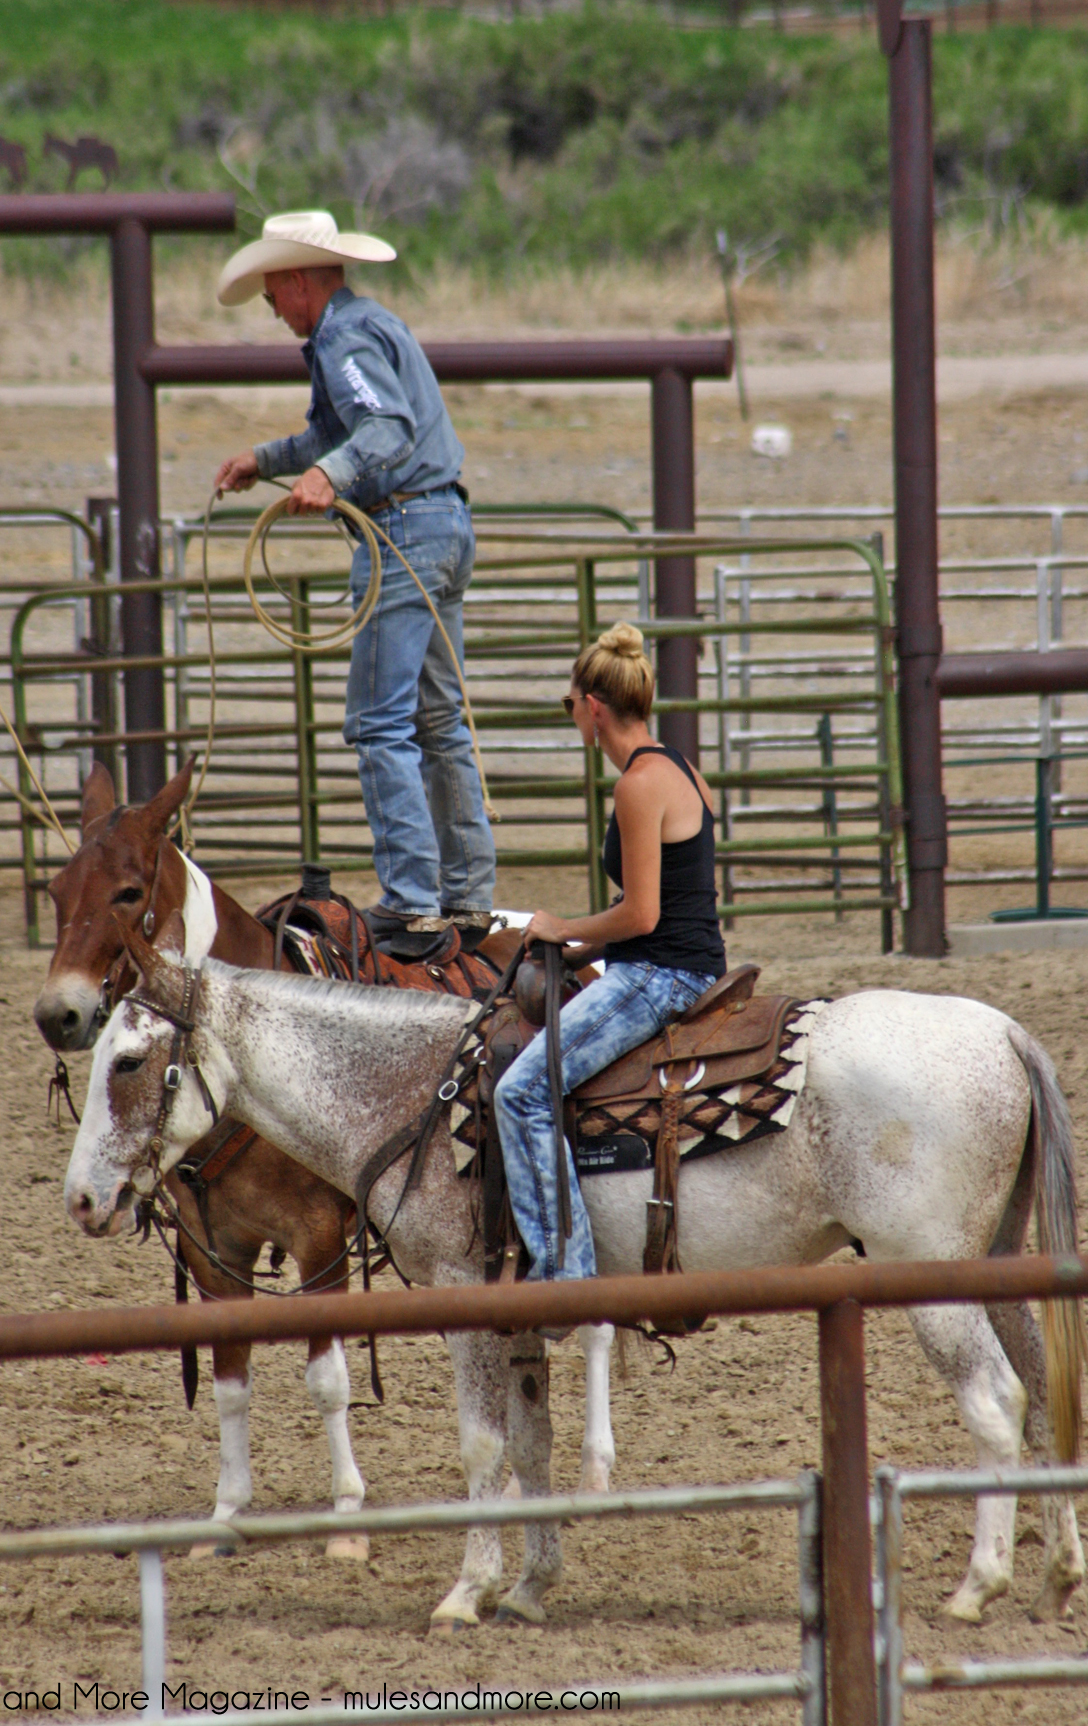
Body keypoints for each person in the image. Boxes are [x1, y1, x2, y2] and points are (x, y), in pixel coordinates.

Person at [212, 211, 496, 955]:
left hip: (401, 531)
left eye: (274, 298)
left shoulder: (339, 339)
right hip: (441, 525)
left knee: (380, 724)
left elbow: (384, 429)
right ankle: (466, 898)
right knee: (439, 721)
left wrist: (326, 474)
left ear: (295, 282)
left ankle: (412, 901)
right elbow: (345, 431)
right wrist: (269, 457)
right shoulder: (370, 325)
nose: (275, 313)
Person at [493, 622, 727, 1287]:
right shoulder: (679, 768)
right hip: (678, 960)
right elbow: (667, 912)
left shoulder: (636, 786)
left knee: (522, 1092)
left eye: (570, 706)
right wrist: (570, 944)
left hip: (660, 978)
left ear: (594, 708)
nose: (573, 719)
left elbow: (643, 915)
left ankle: (565, 1271)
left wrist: (564, 923)